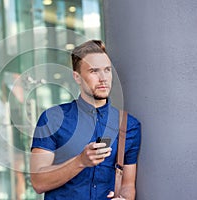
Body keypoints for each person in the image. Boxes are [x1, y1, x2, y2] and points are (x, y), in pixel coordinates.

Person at [30, 40, 141, 200]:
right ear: (77, 77)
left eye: (107, 70)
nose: (103, 78)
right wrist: (80, 161)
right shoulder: (52, 119)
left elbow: (127, 186)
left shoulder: (128, 125)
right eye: (94, 71)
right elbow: (38, 182)